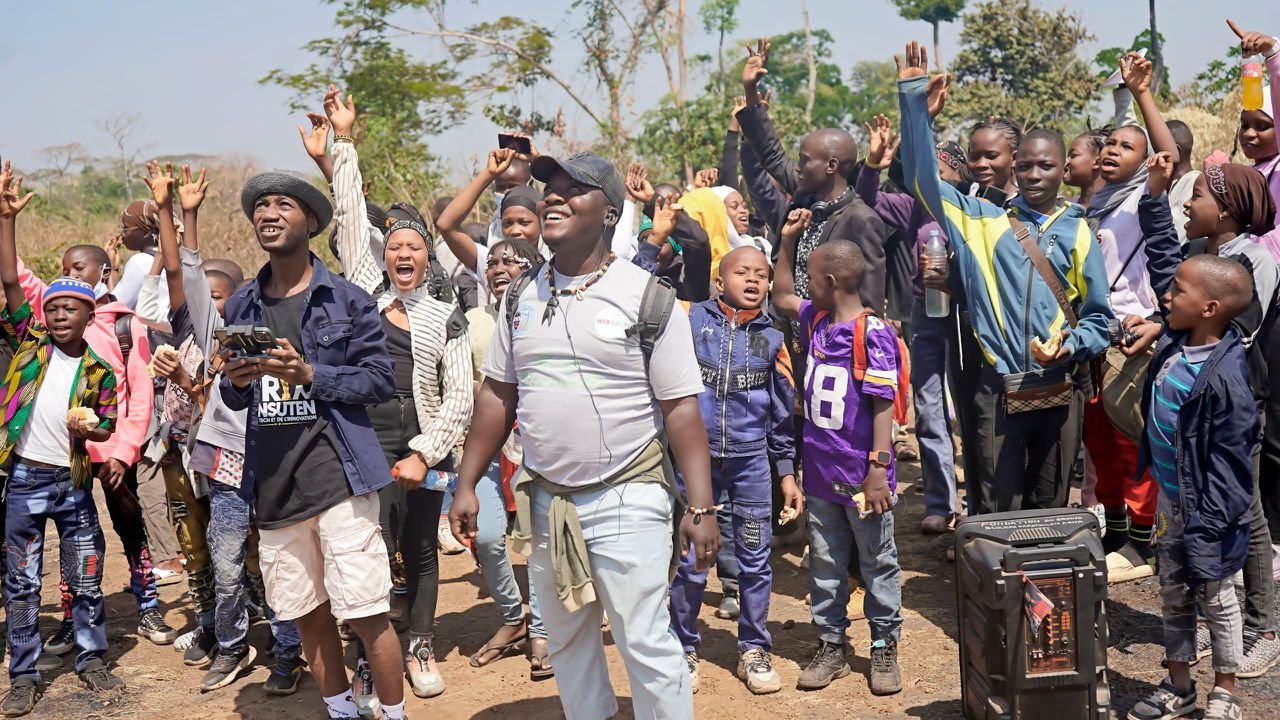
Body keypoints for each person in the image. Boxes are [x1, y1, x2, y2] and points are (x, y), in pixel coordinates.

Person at [450, 151, 719, 720]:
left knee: (643, 639)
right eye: (550, 188)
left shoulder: (647, 298)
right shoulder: (520, 298)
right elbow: (499, 395)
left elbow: (681, 410)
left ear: (609, 212)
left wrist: (700, 504)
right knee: (569, 640)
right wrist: (468, 482)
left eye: (574, 190)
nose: (554, 197)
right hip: (547, 500)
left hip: (629, 492)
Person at [219, 166, 407, 720]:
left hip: (339, 479)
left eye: (281, 204)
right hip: (274, 488)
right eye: (260, 207)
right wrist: (234, 383)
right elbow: (234, 401)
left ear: (310, 221)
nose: (267, 214)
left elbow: (379, 381)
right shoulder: (240, 307)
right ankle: (342, 712)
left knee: (368, 613)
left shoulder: (347, 301)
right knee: (308, 617)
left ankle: (393, 715)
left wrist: (311, 375)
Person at [897, 41, 1113, 515]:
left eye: (1047, 165)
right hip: (998, 386)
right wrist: (914, 102)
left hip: (1059, 385)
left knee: (1050, 502)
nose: (1035, 174)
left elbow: (1099, 318)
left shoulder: (1079, 231)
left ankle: (1042, 590)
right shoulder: (982, 218)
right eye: (1027, 166)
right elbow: (919, 179)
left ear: (1064, 171)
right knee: (998, 505)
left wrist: (1069, 346)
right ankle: (1002, 589)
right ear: (1014, 167)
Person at [326, 85, 474, 704]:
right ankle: (366, 656)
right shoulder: (366, 296)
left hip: (421, 441)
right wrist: (343, 144)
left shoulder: (446, 315)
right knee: (367, 552)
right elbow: (354, 223)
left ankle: (418, 643)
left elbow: (461, 398)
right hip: (364, 440)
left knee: (419, 548)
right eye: (395, 247)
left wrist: (426, 451)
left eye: (414, 245)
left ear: (426, 259)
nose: (402, 252)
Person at [7, 192, 178, 653]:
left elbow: (139, 395)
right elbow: (16, 275)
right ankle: (71, 616)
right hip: (69, 456)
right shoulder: (56, 316)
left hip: (114, 452)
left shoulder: (127, 325)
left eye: (79, 267)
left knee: (130, 524)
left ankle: (147, 604)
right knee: (74, 539)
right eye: (63, 267)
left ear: (105, 270)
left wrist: (124, 452)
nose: (69, 274)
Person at [1140, 155, 1280, 680]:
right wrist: (1155, 199)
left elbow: (1233, 329)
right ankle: (1206, 610)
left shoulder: (1253, 260)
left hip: (1231, 403)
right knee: (1193, 506)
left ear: (1226, 209)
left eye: (1196, 196)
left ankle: (1262, 626)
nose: (1189, 204)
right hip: (1193, 402)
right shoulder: (1200, 252)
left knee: (1244, 510)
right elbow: (1166, 275)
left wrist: (1171, 329)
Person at [0, 166, 126, 718]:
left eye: (68, 308)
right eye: (50, 308)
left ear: (88, 314)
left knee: (86, 571)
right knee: (22, 581)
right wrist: (6, 221)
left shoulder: (98, 370)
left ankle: (91, 657)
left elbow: (108, 425)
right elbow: (9, 280)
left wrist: (90, 430)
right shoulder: (30, 346)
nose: (56, 315)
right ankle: (23, 674)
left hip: (71, 482)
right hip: (25, 476)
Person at [1121, 252, 1257, 720]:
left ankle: (1226, 692)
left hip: (1208, 515)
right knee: (1173, 594)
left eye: (1178, 291)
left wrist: (1211, 525)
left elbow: (1232, 465)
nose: (1166, 295)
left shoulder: (1225, 378)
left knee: (1217, 600)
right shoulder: (1177, 338)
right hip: (1169, 504)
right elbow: (1162, 259)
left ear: (1209, 308)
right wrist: (1156, 200)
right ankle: (1179, 686)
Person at [772, 221, 905, 695]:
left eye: (812, 274)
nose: (805, 282)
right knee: (824, 562)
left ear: (830, 282)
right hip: (822, 471)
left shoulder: (872, 333)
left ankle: (885, 645)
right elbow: (781, 295)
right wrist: (786, 242)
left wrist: (877, 469)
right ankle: (832, 645)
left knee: (876, 561)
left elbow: (884, 403)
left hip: (861, 475)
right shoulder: (817, 318)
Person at [668, 245, 799, 696]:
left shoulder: (773, 340)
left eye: (761, 275)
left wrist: (785, 471)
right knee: (690, 561)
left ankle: (753, 648)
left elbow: (782, 415)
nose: (752, 280)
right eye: (741, 272)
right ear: (719, 282)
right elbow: (641, 294)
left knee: (755, 559)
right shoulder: (689, 319)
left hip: (750, 465)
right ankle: (682, 644)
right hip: (694, 462)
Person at [1083, 52, 1180, 584]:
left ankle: (1143, 542)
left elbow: (1166, 152)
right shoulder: (1095, 202)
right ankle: (1115, 532)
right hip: (1096, 337)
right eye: (1109, 144)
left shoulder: (1145, 196)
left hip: (1133, 333)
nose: (1111, 151)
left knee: (1129, 438)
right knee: (1099, 439)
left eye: (1126, 146)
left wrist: (1141, 94)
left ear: (1146, 164)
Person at [857, 114, 959, 534]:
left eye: (941, 166)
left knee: (974, 414)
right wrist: (873, 165)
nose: (932, 174)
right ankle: (941, 503)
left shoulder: (977, 203)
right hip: (927, 313)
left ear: (960, 169)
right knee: (931, 409)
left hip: (972, 316)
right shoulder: (915, 207)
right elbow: (864, 201)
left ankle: (982, 501)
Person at [736, 37, 889, 313]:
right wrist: (750, 90)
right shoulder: (805, 193)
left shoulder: (862, 220)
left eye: (805, 161)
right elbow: (771, 153)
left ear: (831, 166)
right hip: (792, 337)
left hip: (833, 347)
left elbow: (870, 305)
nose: (797, 167)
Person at [461, 237, 552, 679]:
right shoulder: (473, 321)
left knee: (539, 541)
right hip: (490, 446)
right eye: (491, 262)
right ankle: (513, 616)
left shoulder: (547, 313)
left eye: (510, 261)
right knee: (487, 536)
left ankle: (542, 630)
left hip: (538, 445)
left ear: (535, 268)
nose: (498, 267)